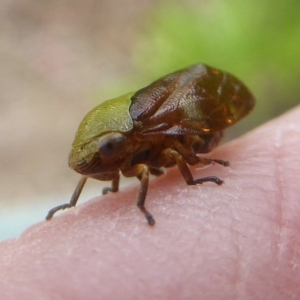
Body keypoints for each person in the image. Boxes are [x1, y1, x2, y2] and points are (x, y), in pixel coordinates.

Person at [1, 105, 299, 300]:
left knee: (155, 162)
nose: (92, 166)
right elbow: (105, 167)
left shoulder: (142, 140)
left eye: (106, 148)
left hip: (191, 140)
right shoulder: (112, 153)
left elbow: (145, 166)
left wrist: (184, 182)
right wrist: (72, 202)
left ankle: (191, 178)